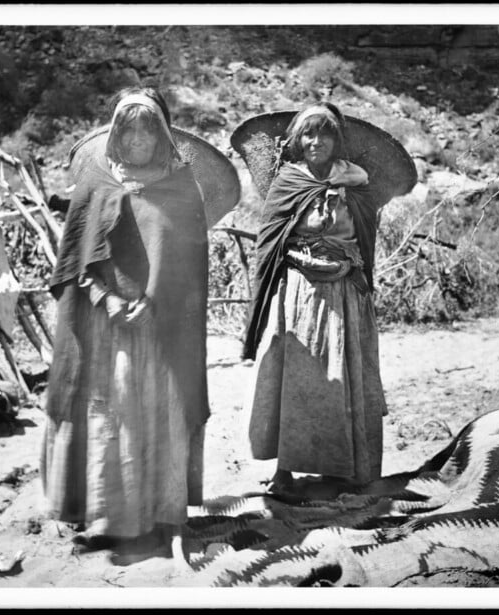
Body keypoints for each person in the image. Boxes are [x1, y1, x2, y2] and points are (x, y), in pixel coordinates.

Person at [41, 87, 210, 557]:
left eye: (148, 128)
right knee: (111, 416)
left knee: (159, 415)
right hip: (104, 327)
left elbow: (192, 271)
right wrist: (107, 299)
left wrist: (157, 302)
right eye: (129, 128)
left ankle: (163, 518)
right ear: (116, 133)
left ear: (161, 133)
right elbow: (75, 264)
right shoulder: (97, 184)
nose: (138, 138)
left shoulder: (181, 187)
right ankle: (107, 520)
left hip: (163, 332)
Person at [242, 102, 388, 494]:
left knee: (341, 379)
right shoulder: (288, 183)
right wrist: (296, 259)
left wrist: (347, 263)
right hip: (299, 295)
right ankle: (285, 472)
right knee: (296, 379)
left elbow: (365, 238)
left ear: (338, 140)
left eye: (324, 133)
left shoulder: (357, 183)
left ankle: (341, 468)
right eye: (308, 133)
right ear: (296, 140)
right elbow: (270, 242)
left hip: (343, 295)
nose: (315, 141)